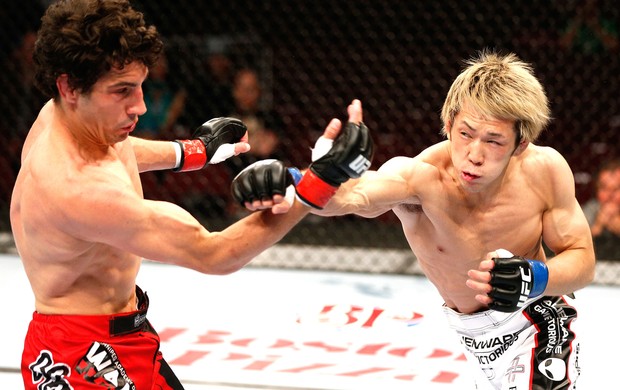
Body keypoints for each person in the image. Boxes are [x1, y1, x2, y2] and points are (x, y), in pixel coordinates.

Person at [10, 1, 373, 389]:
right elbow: (213, 253)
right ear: (69, 87)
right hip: (84, 359)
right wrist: (319, 182)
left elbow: (118, 149)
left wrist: (191, 152)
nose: (141, 106)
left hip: (113, 335)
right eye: (122, 91)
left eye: (140, 86)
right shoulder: (79, 190)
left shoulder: (64, 116)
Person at [234, 50, 595, 389]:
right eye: (465, 133)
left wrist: (536, 278)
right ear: (449, 123)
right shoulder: (419, 177)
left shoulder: (544, 171)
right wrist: (300, 181)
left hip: (540, 316)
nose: (474, 154)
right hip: (474, 335)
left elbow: (583, 261)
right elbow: (351, 197)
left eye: (494, 141)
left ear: (520, 143)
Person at [582, 158, 620, 259]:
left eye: (615, 189)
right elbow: (576, 242)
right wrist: (597, 226)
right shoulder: (591, 208)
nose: (609, 195)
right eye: (604, 188)